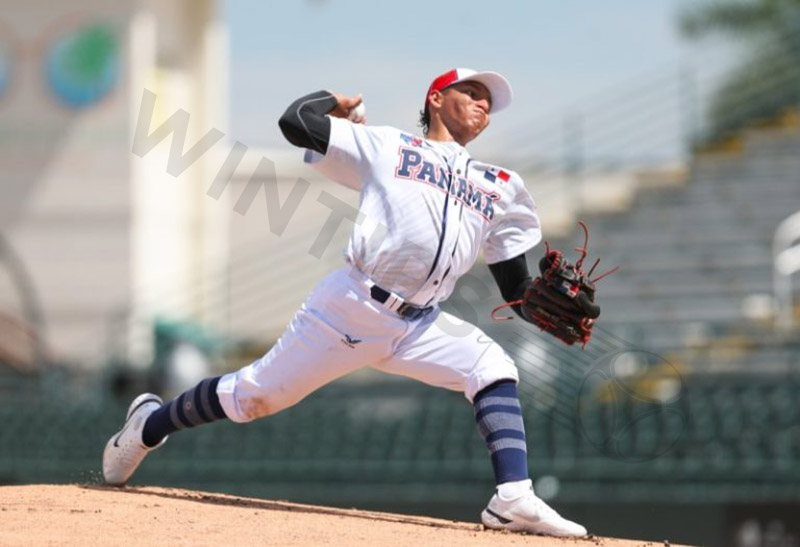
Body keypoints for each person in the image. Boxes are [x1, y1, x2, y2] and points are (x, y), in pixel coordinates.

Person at [103, 68, 588, 537]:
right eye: (473, 91)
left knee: (493, 366)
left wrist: (543, 309)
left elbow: (515, 286)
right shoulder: (387, 145)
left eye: (490, 101)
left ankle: (512, 497)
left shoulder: (498, 184)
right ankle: (149, 423)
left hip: (421, 323)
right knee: (252, 397)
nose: (484, 103)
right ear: (436, 98)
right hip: (352, 307)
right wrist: (333, 101)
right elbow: (295, 122)